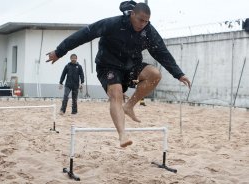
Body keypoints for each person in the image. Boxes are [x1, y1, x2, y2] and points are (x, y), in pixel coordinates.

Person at [46, 2, 191, 147]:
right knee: (116, 93)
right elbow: (85, 34)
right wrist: (59, 52)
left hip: (131, 66)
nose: (143, 24)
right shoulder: (113, 23)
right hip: (108, 65)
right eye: (141, 20)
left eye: (146, 21)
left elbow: (161, 52)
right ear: (132, 14)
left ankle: (129, 106)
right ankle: (122, 135)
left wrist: (178, 74)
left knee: (155, 74)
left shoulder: (149, 31)